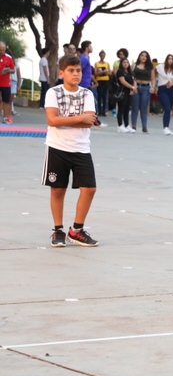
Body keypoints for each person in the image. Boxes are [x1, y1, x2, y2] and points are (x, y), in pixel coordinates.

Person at [43, 55, 100, 247]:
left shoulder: (87, 94)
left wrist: (66, 120)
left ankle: (76, 230)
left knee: (89, 188)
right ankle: (58, 230)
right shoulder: (53, 93)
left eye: (78, 70)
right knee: (58, 189)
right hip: (57, 147)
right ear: (62, 73)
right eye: (71, 70)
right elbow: (52, 120)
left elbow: (89, 122)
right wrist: (79, 118)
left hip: (81, 148)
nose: (76, 74)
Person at [131, 50, 154, 133]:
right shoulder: (134, 65)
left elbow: (153, 78)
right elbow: (131, 76)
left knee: (144, 108)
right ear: (139, 56)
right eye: (142, 55)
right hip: (136, 87)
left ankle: (144, 126)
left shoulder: (150, 67)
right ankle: (134, 125)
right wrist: (133, 86)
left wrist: (153, 87)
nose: (143, 57)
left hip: (146, 87)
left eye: (145, 56)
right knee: (135, 107)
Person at [155, 54, 173, 135]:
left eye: (172, 59)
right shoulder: (160, 67)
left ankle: (167, 126)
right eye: (169, 59)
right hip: (162, 88)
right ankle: (165, 127)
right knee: (167, 108)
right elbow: (153, 72)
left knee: (169, 109)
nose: (170, 60)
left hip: (171, 89)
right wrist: (154, 85)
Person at [115, 58, 136, 133]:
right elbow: (123, 81)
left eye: (127, 62)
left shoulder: (130, 72)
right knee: (121, 109)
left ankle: (127, 125)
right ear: (121, 63)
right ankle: (120, 125)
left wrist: (134, 88)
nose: (126, 64)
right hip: (122, 92)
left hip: (129, 92)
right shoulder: (120, 71)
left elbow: (134, 80)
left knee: (127, 109)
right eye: (124, 62)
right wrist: (131, 87)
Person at [93, 50, 111, 117]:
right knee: (99, 96)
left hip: (106, 80)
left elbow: (110, 73)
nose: (102, 56)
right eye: (101, 55)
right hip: (99, 80)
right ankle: (99, 111)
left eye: (103, 55)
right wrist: (102, 72)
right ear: (99, 56)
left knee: (105, 96)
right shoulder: (97, 64)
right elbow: (95, 73)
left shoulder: (107, 64)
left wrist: (106, 72)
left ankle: (104, 111)